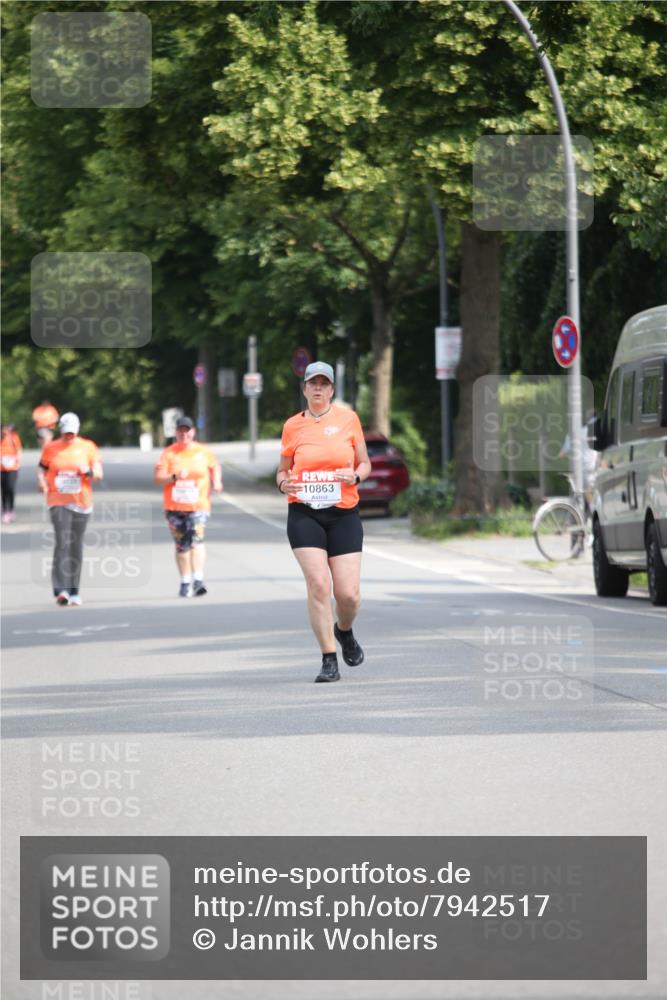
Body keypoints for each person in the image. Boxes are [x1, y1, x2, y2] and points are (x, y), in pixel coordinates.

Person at [276, 361, 372, 683]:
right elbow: (282, 470)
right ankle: (328, 658)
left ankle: (343, 630)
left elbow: (365, 463)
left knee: (348, 595)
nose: (318, 388)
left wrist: (356, 475)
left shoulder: (349, 420)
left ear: (332, 389)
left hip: (343, 512)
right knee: (319, 585)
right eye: (312, 383)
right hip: (304, 512)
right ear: (304, 389)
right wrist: (282, 484)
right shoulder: (292, 426)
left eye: (324, 383)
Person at [37, 412, 103, 606]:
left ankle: (74, 590)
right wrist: (41, 481)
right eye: (66, 433)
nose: (69, 436)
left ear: (78, 431)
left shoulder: (88, 447)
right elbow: (42, 468)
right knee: (62, 542)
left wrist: (88, 472)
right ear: (61, 431)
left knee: (76, 545)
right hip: (58, 500)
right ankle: (61, 590)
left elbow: (99, 473)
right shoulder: (51, 448)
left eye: (72, 433)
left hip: (82, 501)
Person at [154, 416, 222, 597]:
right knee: (182, 545)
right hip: (174, 507)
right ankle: (185, 581)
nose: (184, 434)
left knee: (197, 539)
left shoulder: (203, 452)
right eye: (180, 431)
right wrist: (174, 477)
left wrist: (217, 482)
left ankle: (198, 579)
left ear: (193, 432)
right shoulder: (169, 453)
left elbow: (215, 467)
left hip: (198, 505)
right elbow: (158, 478)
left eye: (187, 430)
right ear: (176, 432)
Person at [1, 423, 22, 523]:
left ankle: (11, 510)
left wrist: (18, 461)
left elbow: (18, 450)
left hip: (12, 467)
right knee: (4, 490)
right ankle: (5, 511)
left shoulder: (13, 437)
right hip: (1, 468)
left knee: (10, 488)